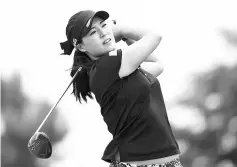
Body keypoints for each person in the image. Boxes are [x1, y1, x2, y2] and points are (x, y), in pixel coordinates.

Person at [60, 10, 183, 167]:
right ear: (81, 47)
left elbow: (157, 65)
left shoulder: (118, 67)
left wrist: (125, 39)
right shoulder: (107, 65)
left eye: (104, 26)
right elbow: (155, 36)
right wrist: (122, 30)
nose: (103, 33)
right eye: (93, 32)